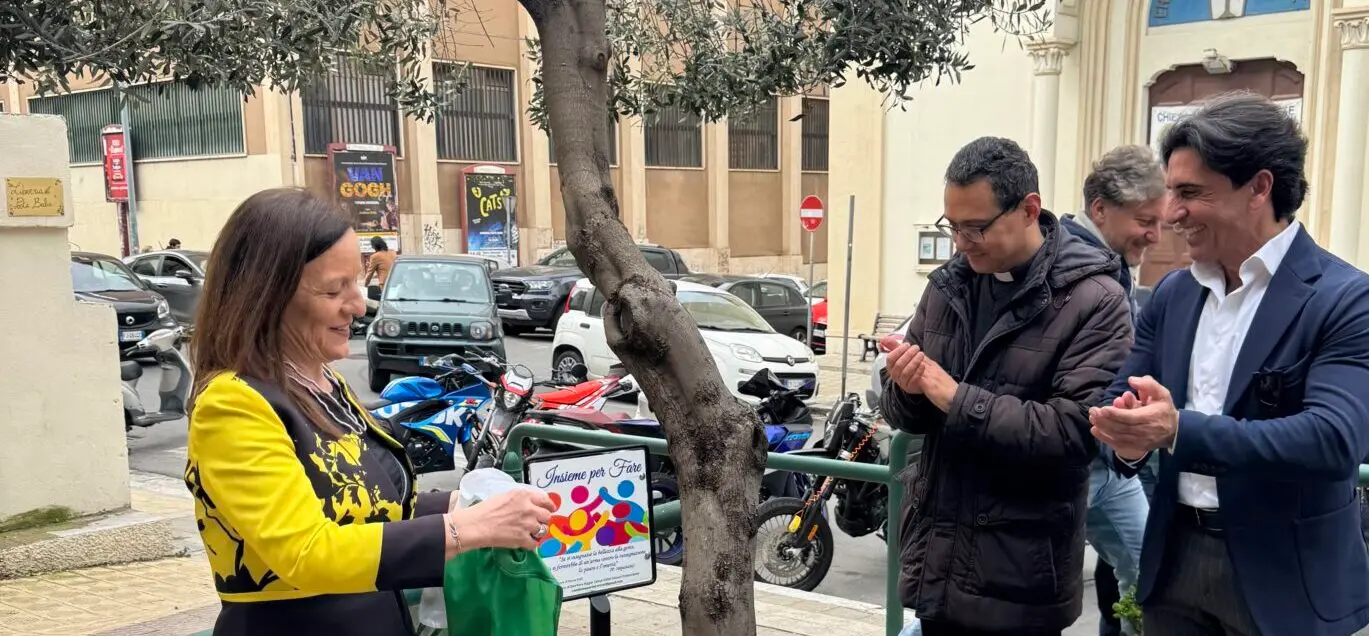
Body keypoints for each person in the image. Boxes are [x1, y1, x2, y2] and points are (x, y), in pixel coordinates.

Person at [183, 187, 556, 636]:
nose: (359, 306)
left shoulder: (323, 382)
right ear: (266, 297)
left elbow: (368, 509)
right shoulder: (233, 404)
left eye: (356, 282)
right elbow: (306, 551)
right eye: (333, 289)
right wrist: (465, 528)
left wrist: (465, 502)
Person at [1090, 91, 1369, 635]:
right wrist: (1123, 432)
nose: (1170, 215)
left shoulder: (1345, 298)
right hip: (1175, 561)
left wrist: (1176, 431)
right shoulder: (1173, 294)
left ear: (1259, 188)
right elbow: (1121, 392)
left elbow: (1336, 439)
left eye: (1191, 193)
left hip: (1284, 578)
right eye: (1171, 192)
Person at [882, 136, 1134, 636]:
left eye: (976, 227)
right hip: (939, 565)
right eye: (952, 226)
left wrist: (953, 396)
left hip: (1021, 579)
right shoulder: (949, 284)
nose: (961, 242)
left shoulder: (1094, 300)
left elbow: (1073, 434)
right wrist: (908, 388)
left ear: (1028, 210)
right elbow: (907, 415)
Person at [1060, 144, 1164, 636]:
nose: (1155, 234)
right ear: (1100, 208)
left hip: (1103, 462)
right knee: (1001, 586)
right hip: (1072, 456)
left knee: (1145, 573)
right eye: (1145, 219)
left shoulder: (1106, 263)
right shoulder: (1067, 262)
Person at [364, 236, 397, 300]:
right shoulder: (393, 252)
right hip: (397, 283)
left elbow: (370, 273)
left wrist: (366, 284)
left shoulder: (375, 256)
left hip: (386, 285)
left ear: (374, 246)